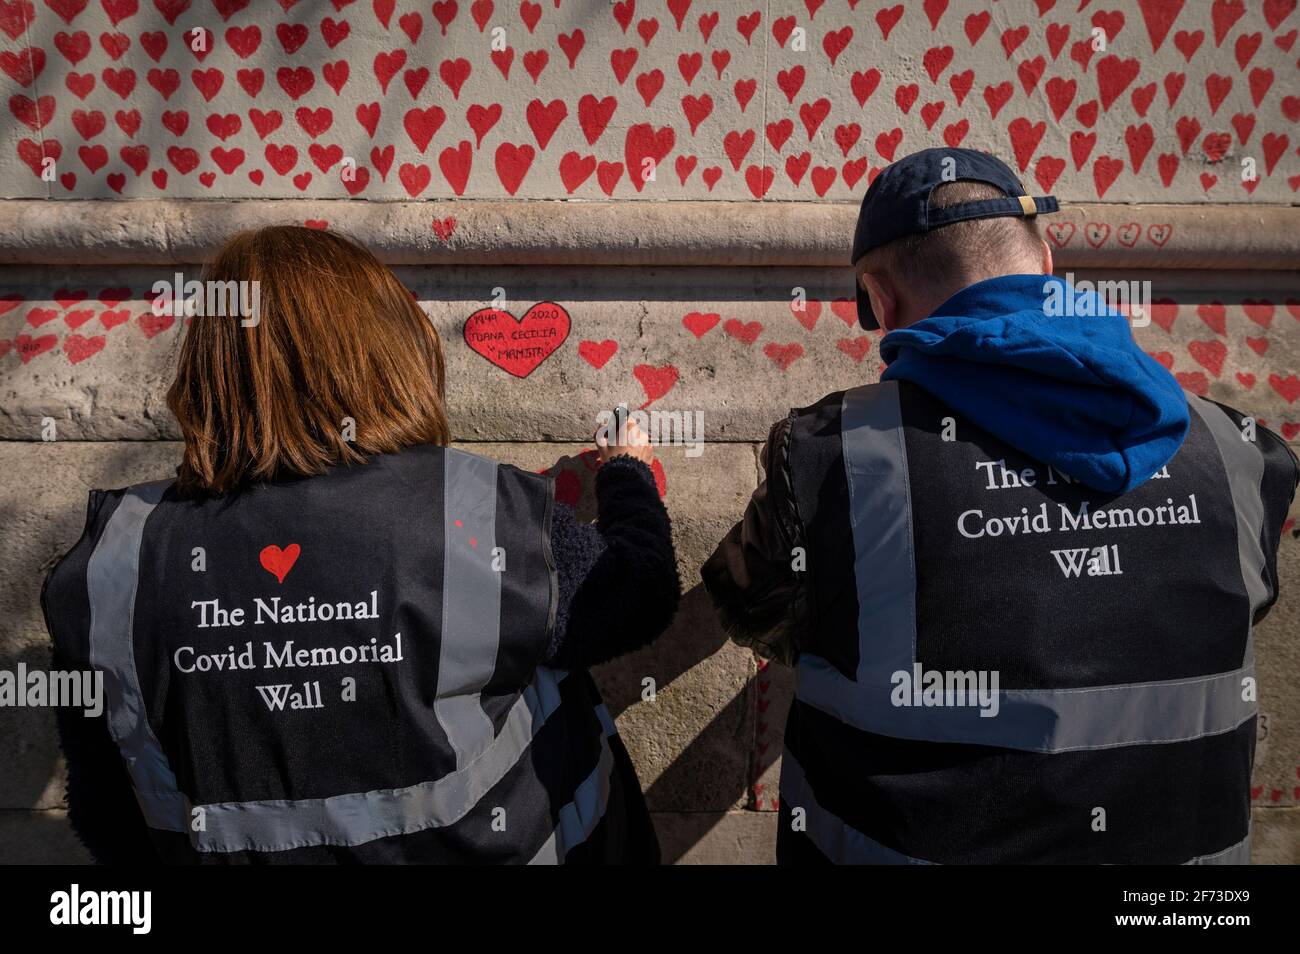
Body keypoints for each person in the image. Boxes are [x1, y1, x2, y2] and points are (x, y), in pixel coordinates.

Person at [703, 147, 1298, 864]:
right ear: (1047, 261)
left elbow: (749, 606)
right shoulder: (1237, 450)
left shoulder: (833, 455)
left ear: (881, 302)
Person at [44, 226, 680, 864]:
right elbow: (636, 593)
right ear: (386, 353)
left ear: (211, 370)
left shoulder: (114, 566)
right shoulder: (473, 514)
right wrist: (627, 475)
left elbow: (106, 810)